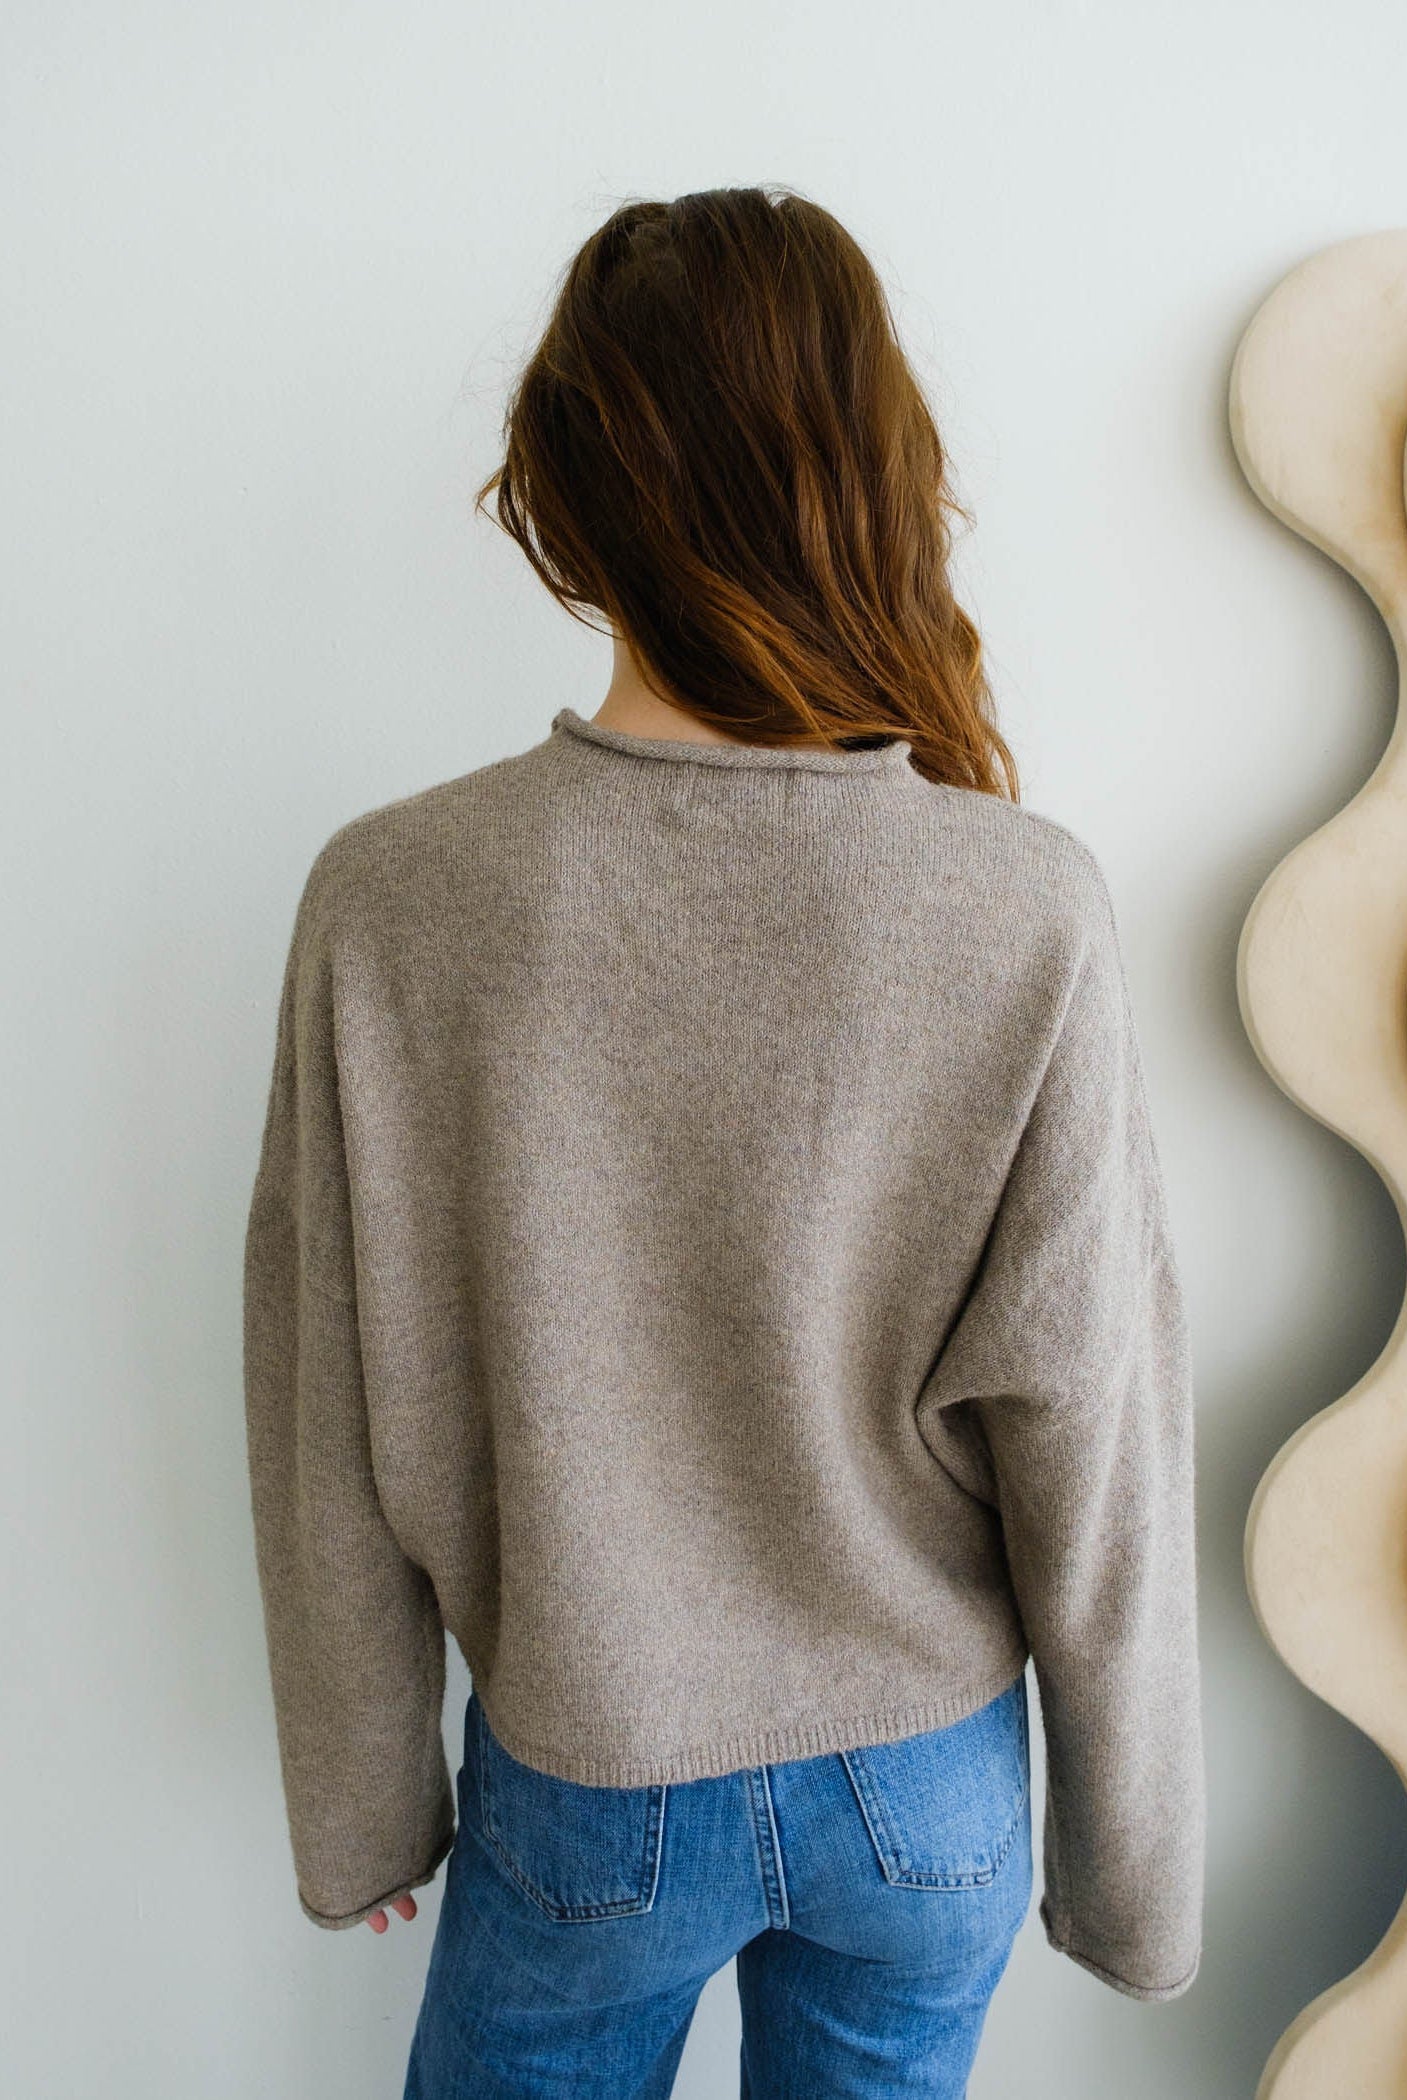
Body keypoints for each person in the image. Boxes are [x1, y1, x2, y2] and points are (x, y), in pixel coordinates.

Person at [242, 184, 1204, 2099]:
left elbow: (327, 1401)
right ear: (876, 480)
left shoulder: (395, 898)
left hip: (592, 1775)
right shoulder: (1024, 904)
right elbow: (1094, 1428)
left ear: (566, 498)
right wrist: (1137, 1872)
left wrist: (362, 1800)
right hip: (928, 1787)